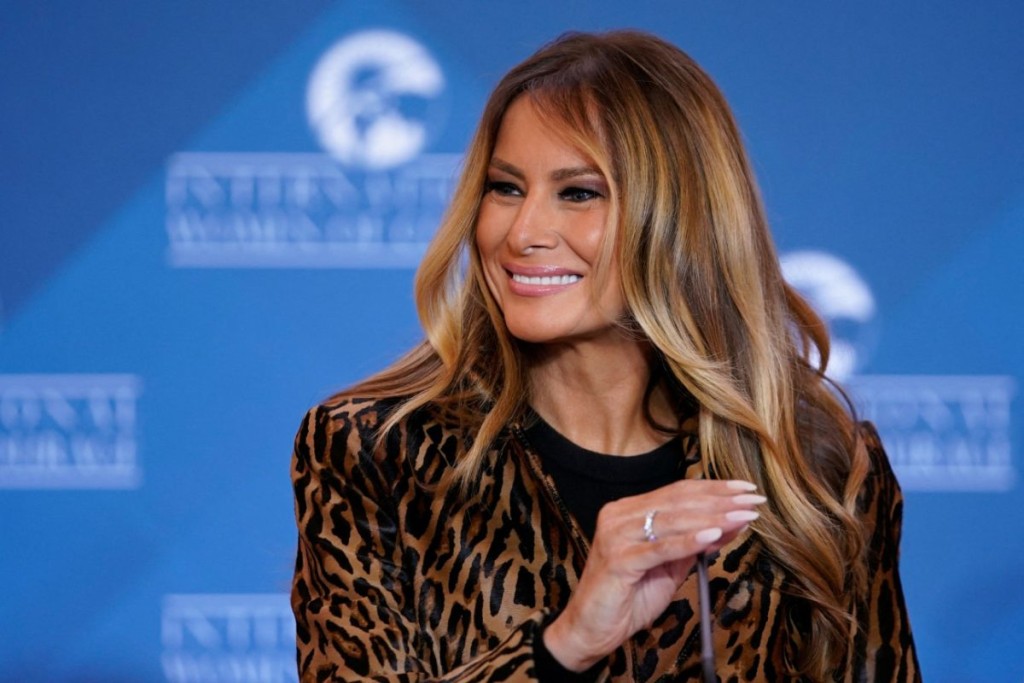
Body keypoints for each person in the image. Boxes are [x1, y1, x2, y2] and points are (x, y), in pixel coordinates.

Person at [290, 30, 920, 682]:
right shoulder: (377, 451)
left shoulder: (815, 469)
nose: (523, 232)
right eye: (505, 187)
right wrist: (563, 645)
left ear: (679, 217)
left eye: (578, 192)